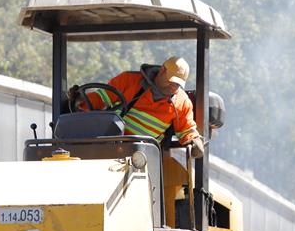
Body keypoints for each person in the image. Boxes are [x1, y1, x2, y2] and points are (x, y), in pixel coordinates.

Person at [73, 56, 206, 158]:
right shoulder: (129, 80)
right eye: (171, 81)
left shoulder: (182, 102)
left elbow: (186, 129)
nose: (173, 86)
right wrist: (80, 100)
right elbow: (101, 98)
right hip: (110, 147)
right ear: (162, 70)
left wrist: (194, 141)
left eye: (178, 84)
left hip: (143, 158)